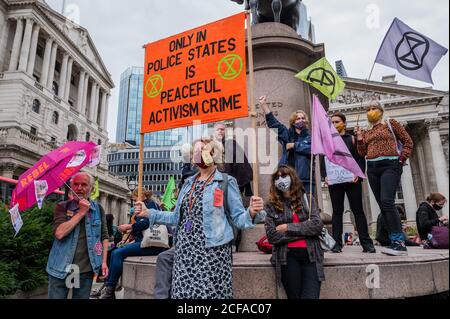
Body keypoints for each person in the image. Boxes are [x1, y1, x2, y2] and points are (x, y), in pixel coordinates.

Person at [136, 138, 265, 299]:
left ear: (214, 153)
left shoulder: (226, 181)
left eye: (203, 149)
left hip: (212, 254)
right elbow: (176, 217)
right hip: (185, 253)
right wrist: (149, 213)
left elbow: (239, 219)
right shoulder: (188, 183)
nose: (199, 154)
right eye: (195, 151)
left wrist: (252, 211)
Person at [355, 100, 413, 256]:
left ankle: (399, 242)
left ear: (381, 110)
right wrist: (360, 138)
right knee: (382, 204)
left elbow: (408, 142)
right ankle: (392, 241)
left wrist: (401, 160)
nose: (370, 111)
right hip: (372, 168)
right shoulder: (367, 131)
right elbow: (362, 153)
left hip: (390, 165)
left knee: (387, 202)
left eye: (374, 108)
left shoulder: (390, 123)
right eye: (368, 109)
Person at [264, 165, 324, 299]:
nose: (281, 180)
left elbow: (317, 225)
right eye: (277, 177)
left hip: (311, 255)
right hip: (287, 257)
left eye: (284, 176)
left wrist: (288, 227)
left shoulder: (307, 199)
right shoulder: (271, 205)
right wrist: (304, 230)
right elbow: (272, 236)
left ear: (292, 177)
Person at [46, 172, 109, 299]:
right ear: (71, 186)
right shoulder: (62, 206)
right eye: (76, 184)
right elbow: (59, 233)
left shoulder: (98, 209)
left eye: (84, 184)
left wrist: (103, 262)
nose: (79, 188)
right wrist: (80, 212)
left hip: (85, 269)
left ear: (91, 188)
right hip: (60, 267)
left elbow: (104, 236)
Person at [321, 112, 375, 253]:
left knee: (358, 211)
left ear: (344, 123)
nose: (334, 125)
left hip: (352, 180)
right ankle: (337, 244)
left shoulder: (351, 139)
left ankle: (366, 243)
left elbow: (359, 157)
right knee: (337, 213)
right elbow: (324, 159)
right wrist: (324, 175)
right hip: (335, 180)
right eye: (332, 122)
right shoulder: (328, 141)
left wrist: (359, 173)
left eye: (337, 122)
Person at [100, 189, 169, 299]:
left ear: (141, 195)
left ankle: (110, 289)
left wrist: (128, 227)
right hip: (143, 241)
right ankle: (107, 285)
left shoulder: (150, 205)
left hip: (150, 243)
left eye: (135, 196)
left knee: (118, 253)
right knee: (113, 252)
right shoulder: (144, 205)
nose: (133, 198)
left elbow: (146, 223)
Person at [259, 96, 314, 194]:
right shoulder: (287, 134)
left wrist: (294, 145)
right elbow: (273, 123)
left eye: (303, 118)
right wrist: (263, 105)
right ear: (293, 121)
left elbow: (313, 150)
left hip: (305, 179)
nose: (301, 120)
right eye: (298, 119)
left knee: (307, 206)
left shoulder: (310, 137)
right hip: (287, 178)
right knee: (289, 204)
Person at [214, 122, 254, 251]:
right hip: (219, 185)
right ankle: (225, 241)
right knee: (220, 211)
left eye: (222, 130)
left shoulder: (230, 144)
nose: (221, 131)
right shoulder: (214, 146)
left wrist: (235, 185)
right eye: (218, 129)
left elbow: (238, 167)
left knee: (232, 212)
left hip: (230, 184)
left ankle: (233, 243)